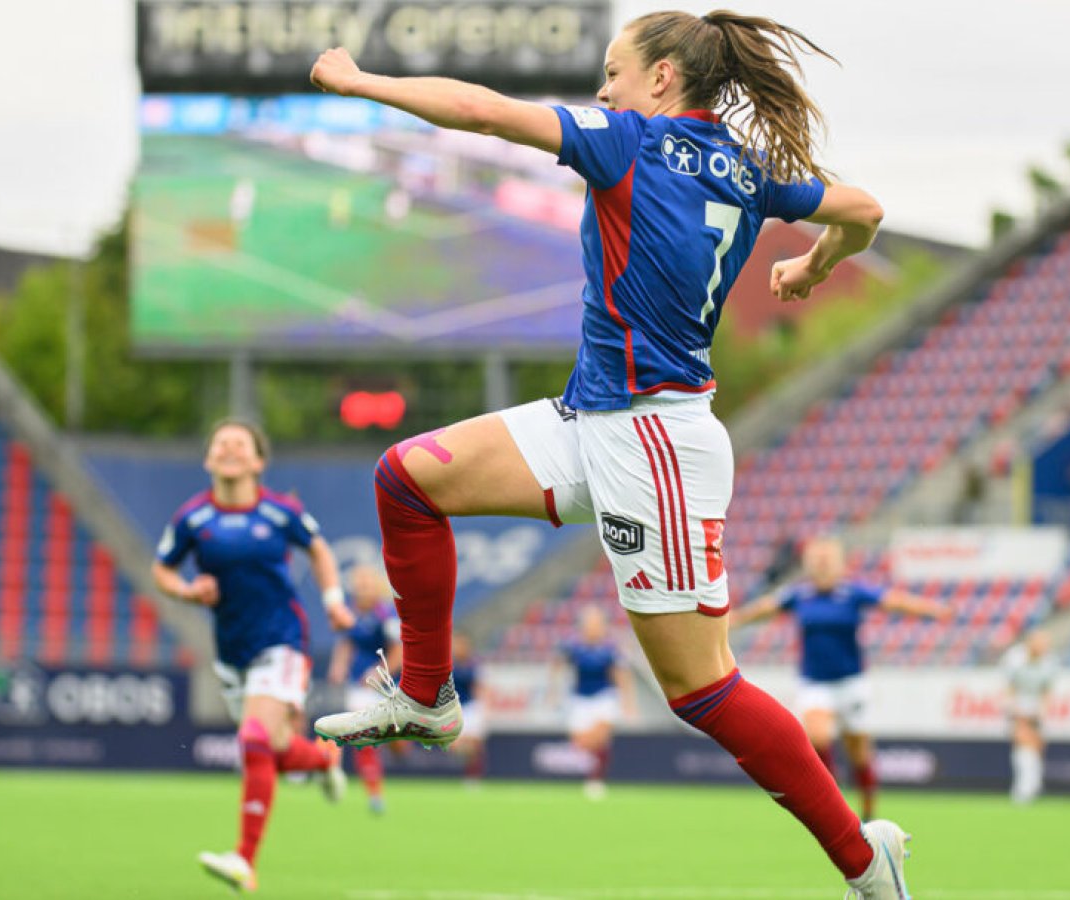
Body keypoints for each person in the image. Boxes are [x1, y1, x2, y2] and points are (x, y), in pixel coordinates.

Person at [310, 11, 912, 896]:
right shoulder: (749, 167)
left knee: (702, 692)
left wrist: (362, 83)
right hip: (592, 416)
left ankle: (866, 863)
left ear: (663, 77)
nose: (602, 90)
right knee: (407, 478)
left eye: (613, 72)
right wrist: (813, 268)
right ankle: (428, 697)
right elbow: (863, 211)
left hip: (654, 438)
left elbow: (481, 110)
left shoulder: (628, 141)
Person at [152, 418, 356, 893]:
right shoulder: (192, 519)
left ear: (258, 462)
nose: (229, 449)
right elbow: (162, 569)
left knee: (255, 738)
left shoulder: (280, 512)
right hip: (232, 651)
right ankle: (324, 761)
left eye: (239, 444)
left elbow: (320, 550)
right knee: (270, 750)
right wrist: (186, 590)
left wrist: (333, 602)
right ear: (208, 459)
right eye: (220, 443)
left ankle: (244, 860)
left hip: (281, 639)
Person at [732, 537, 952, 820]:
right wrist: (735, 618)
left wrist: (932, 609)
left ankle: (869, 812)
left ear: (839, 564)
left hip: (851, 682)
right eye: (817, 560)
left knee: (858, 751)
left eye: (828, 560)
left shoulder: (853, 593)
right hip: (815, 682)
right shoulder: (799, 596)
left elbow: (893, 602)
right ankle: (835, 806)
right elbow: (765, 608)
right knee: (819, 737)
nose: (822, 566)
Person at [326, 564, 403, 814]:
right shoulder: (350, 613)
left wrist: (379, 672)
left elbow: (399, 651)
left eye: (366, 584)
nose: (361, 589)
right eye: (358, 585)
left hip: (388, 683)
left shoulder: (386, 614)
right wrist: (338, 666)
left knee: (398, 742)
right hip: (361, 685)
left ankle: (396, 741)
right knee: (364, 737)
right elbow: (347, 643)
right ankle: (374, 793)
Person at [552, 605, 636, 799]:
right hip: (579, 698)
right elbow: (557, 665)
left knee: (601, 736)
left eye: (597, 624)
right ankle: (591, 771)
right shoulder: (572, 646)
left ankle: (596, 780)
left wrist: (627, 702)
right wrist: (554, 692)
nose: (593, 628)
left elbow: (621, 675)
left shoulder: (610, 648)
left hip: (604, 696)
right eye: (590, 624)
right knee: (581, 742)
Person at [1002, 629, 1056, 805]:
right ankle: (1023, 789)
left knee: (1036, 746)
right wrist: (1017, 713)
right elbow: (1008, 688)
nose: (1044, 648)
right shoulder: (1014, 658)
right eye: (1041, 644)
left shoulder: (1050, 662)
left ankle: (1034, 786)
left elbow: (1047, 691)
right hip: (1016, 705)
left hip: (1036, 707)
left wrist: (1041, 712)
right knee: (1023, 743)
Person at [450, 631, 489, 787]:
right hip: (454, 709)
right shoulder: (447, 665)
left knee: (475, 743)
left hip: (471, 707)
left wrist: (484, 707)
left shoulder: (474, 665)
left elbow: (480, 687)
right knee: (456, 746)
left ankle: (473, 777)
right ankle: (470, 763)